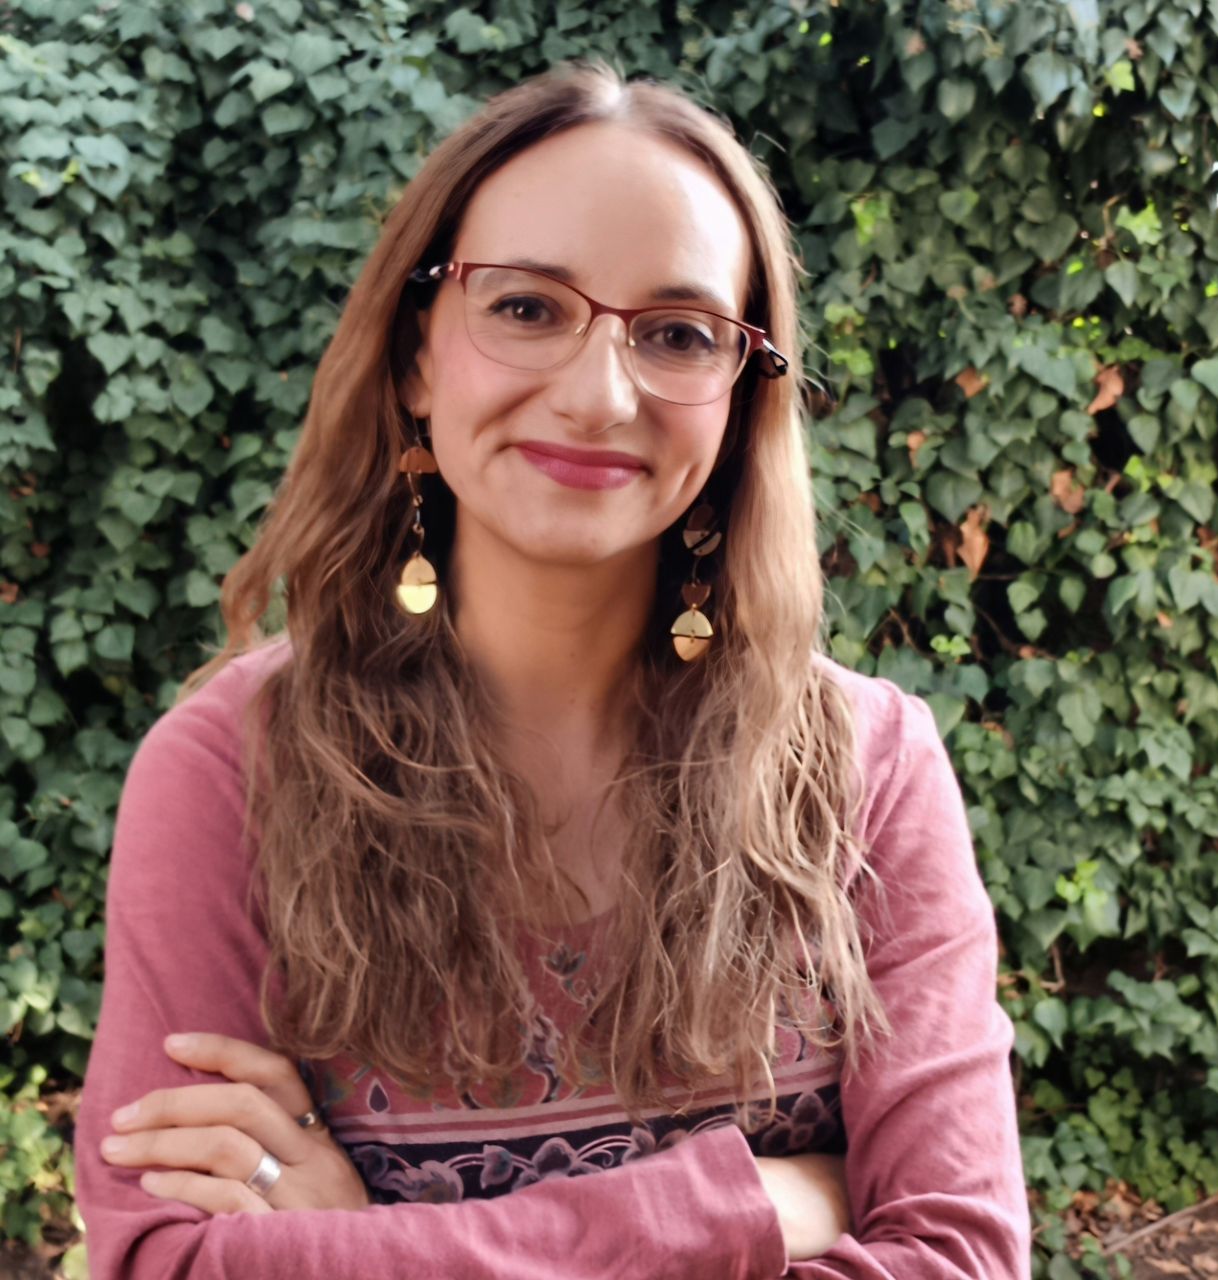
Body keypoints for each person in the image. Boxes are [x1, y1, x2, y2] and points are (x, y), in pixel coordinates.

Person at [75, 62, 1031, 1278]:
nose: (597, 393)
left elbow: (959, 1258)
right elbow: (162, 1261)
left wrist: (364, 1247)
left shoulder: (867, 773)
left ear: (740, 397)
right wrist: (732, 1203)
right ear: (416, 354)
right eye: (526, 307)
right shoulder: (232, 772)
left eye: (678, 334)